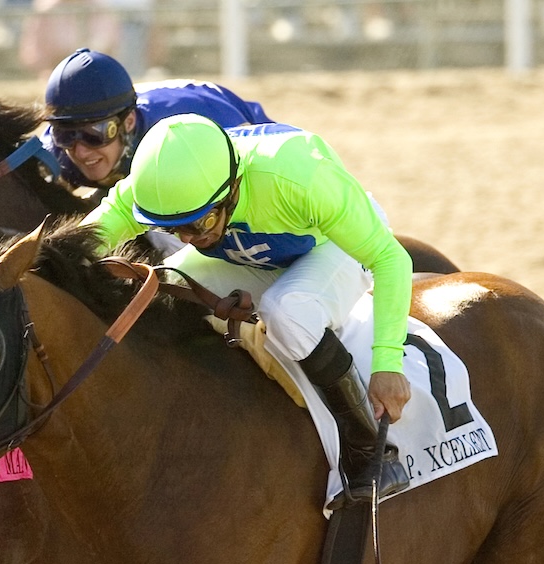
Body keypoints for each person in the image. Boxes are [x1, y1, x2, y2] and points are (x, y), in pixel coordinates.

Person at [81, 113, 412, 505]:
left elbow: (391, 259)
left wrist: (388, 363)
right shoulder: (151, 186)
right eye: (175, 229)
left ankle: (372, 452)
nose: (189, 238)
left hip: (332, 247)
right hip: (260, 255)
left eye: (200, 221)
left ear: (234, 188)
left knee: (287, 310)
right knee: (163, 289)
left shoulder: (300, 176)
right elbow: (86, 241)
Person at [41, 48, 271, 193]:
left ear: (128, 122)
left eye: (95, 133)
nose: (80, 152)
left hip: (251, 141)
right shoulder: (55, 153)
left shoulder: (187, 132)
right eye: (65, 134)